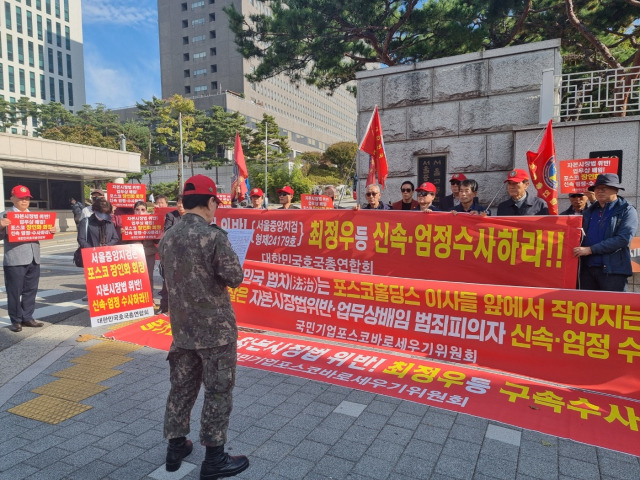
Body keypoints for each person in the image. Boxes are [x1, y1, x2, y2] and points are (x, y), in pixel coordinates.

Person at [159, 174, 249, 479]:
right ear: (210, 202)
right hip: (216, 334)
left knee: (181, 389)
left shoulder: (168, 236)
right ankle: (214, 459)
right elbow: (234, 277)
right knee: (218, 391)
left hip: (182, 331)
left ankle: (175, 448)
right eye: (216, 203)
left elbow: (165, 274)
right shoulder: (214, 237)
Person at [1, 185, 56, 332]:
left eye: (26, 198)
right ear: (12, 199)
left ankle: (28, 317)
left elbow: (43, 232)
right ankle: (16, 320)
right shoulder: (5, 215)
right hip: (15, 259)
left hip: (33, 258)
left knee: (31, 290)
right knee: (14, 291)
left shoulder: (35, 216)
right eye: (20, 198)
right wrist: (0, 226)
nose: (24, 201)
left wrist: (50, 230)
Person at [573, 173, 638, 292]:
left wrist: (591, 249)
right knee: (588, 307)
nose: (600, 191)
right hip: (587, 270)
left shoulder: (627, 210)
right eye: (597, 188)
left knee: (613, 307)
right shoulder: (589, 212)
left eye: (605, 188)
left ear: (616, 190)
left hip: (613, 271)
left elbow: (623, 239)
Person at [159, 194, 185, 313]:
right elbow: (168, 231)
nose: (180, 205)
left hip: (186, 255)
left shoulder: (191, 217)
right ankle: (163, 307)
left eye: (182, 203)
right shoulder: (171, 216)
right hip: (172, 254)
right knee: (167, 282)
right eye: (178, 202)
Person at [133, 201, 158, 292]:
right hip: (133, 254)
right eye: (137, 210)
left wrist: (157, 233)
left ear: (146, 211)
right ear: (134, 211)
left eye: (143, 210)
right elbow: (121, 242)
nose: (140, 212)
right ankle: (137, 299)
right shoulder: (127, 222)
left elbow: (156, 241)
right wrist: (122, 233)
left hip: (149, 253)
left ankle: (150, 299)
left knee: (148, 276)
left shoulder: (152, 222)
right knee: (135, 278)